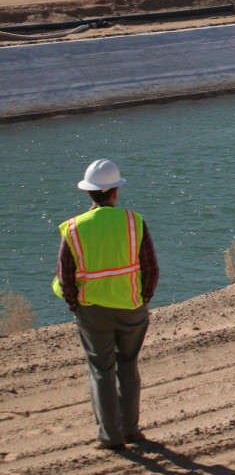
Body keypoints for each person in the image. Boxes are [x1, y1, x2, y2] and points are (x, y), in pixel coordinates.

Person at [53, 158, 158, 450]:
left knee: (101, 370)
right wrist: (143, 299)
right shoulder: (133, 221)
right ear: (114, 191)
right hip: (131, 307)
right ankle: (131, 431)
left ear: (89, 193)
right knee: (128, 366)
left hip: (92, 312)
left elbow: (66, 276)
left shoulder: (73, 228)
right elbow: (150, 268)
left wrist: (76, 306)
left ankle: (109, 437)